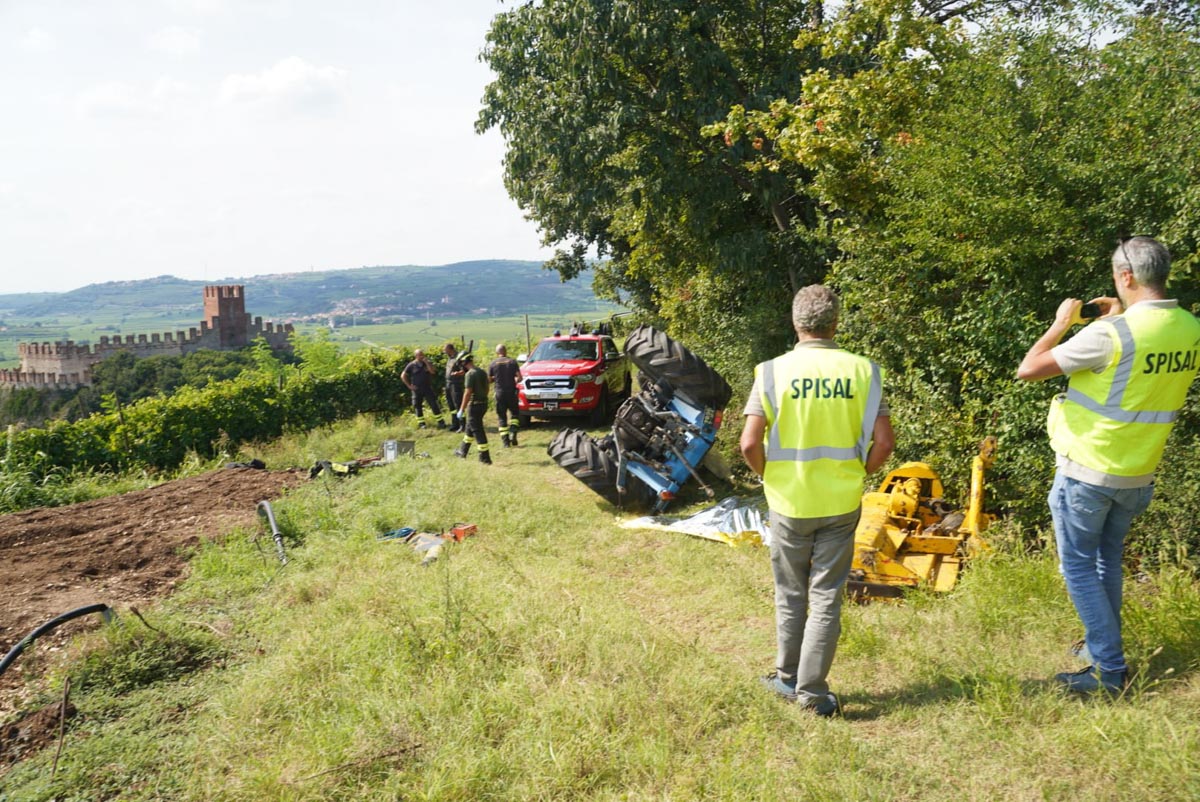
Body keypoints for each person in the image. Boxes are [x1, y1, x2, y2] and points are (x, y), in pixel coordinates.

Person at [1016, 236, 1200, 695]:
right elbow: (1137, 372)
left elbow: (1029, 367)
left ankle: (1108, 671)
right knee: (1106, 563)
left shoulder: (1110, 334)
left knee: (1078, 566)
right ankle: (1102, 649)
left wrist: (1061, 323)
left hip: (1089, 470)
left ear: (1126, 277)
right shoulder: (1189, 328)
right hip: (1139, 471)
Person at [740, 284, 894, 717]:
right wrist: (858, 473)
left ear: (796, 323)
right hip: (841, 501)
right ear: (835, 323)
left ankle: (788, 678)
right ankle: (812, 690)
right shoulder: (864, 371)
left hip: (789, 501)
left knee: (790, 592)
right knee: (826, 594)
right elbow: (884, 443)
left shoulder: (770, 371)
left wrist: (772, 476)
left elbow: (749, 443)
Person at [453, 352, 492, 464]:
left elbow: (467, 393)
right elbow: (487, 388)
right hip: (483, 404)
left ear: (464, 363)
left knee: (477, 430)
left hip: (474, 405)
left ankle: (485, 458)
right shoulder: (482, 372)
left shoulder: (470, 374)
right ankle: (462, 451)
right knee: (469, 428)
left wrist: (461, 409)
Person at [401, 349, 445, 429]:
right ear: (416, 356)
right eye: (420, 355)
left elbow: (432, 372)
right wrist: (409, 386)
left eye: (422, 354)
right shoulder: (411, 365)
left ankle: (441, 422)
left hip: (427, 388)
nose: (422, 356)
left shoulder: (427, 363)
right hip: (416, 389)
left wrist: (427, 363)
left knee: (434, 404)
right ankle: (422, 424)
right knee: (418, 406)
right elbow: (403, 375)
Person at [489, 343, 522, 447]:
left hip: (500, 393)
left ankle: (505, 442)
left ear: (497, 352)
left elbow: (489, 380)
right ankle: (513, 433)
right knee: (515, 415)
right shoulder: (512, 362)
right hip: (511, 392)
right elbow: (520, 378)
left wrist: (496, 378)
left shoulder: (493, 363)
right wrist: (515, 379)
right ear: (506, 351)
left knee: (502, 417)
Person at [444, 342, 466, 432]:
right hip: (448, 384)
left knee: (458, 404)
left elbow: (464, 370)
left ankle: (463, 424)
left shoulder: (458, 358)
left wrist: (458, 373)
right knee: (451, 405)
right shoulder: (450, 358)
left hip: (456, 384)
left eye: (445, 350)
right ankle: (455, 424)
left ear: (450, 349)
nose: (444, 351)